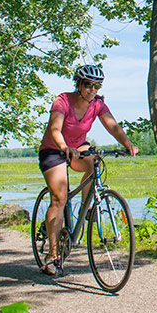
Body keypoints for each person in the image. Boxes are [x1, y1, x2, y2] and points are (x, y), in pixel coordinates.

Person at [37, 64, 138, 275]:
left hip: (78, 148)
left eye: (97, 86)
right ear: (79, 84)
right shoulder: (62, 101)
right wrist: (65, 147)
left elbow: (113, 127)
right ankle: (52, 256)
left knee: (95, 163)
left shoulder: (98, 105)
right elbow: (55, 129)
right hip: (54, 149)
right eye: (89, 85)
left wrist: (127, 143)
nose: (93, 90)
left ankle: (84, 213)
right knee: (60, 198)